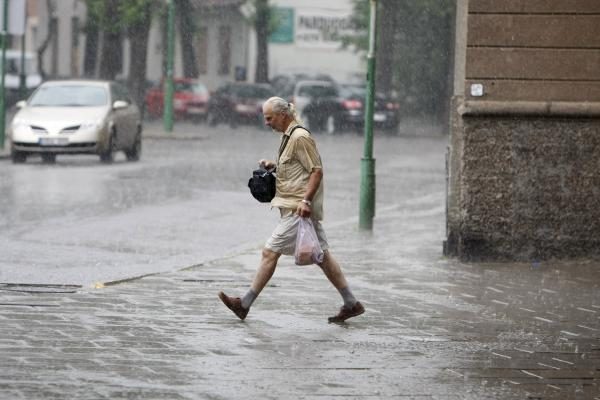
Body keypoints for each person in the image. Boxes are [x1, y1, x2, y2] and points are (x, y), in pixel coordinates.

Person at [218, 96, 365, 323]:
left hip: (298, 210)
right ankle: (351, 303)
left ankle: (244, 304)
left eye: (269, 118)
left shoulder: (300, 137)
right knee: (324, 257)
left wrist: (306, 201)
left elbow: (316, 171)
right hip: (295, 208)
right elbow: (296, 167)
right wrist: (274, 166)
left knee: (269, 252)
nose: (266, 123)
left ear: (283, 115)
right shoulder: (287, 137)